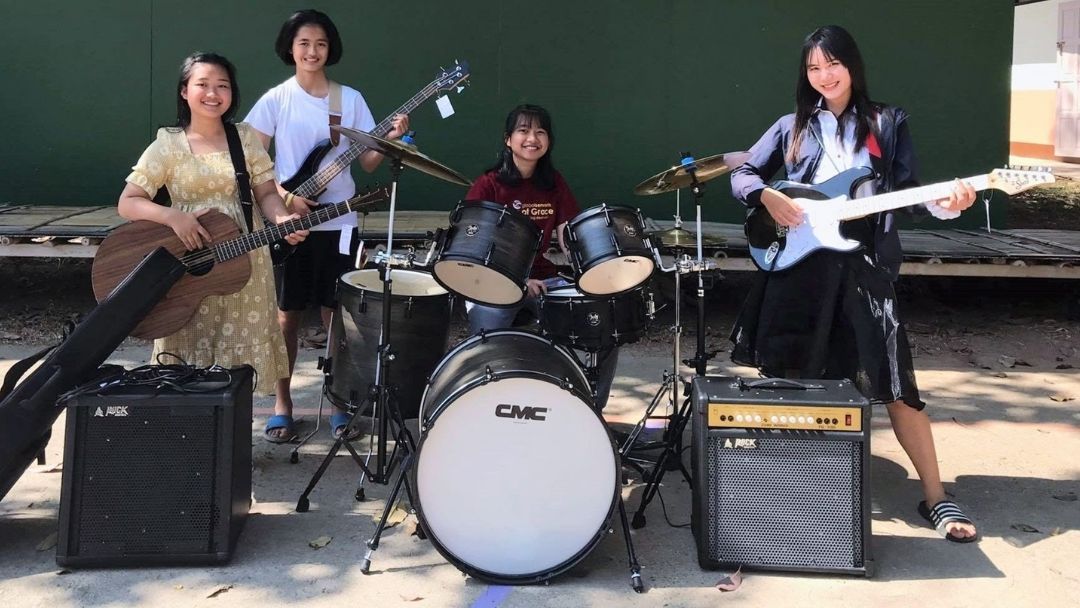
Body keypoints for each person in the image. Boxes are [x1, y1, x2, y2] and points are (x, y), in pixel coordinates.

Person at [729, 25, 979, 543]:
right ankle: (787, 490)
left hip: (865, 264)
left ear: (851, 65)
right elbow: (743, 172)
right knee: (794, 376)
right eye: (814, 68)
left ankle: (936, 496)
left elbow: (907, 191)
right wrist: (765, 197)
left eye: (832, 64)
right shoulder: (791, 125)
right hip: (801, 266)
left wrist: (946, 203)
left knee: (893, 381)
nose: (824, 76)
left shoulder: (886, 122)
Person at [244, 9, 410, 442]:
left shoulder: (349, 99)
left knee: (337, 316)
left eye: (320, 43)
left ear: (330, 48)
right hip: (287, 223)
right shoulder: (275, 99)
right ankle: (283, 405)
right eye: (304, 43)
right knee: (286, 319)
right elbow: (251, 162)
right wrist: (283, 198)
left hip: (339, 222)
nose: (312, 51)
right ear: (290, 48)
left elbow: (369, 162)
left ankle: (338, 402)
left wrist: (389, 139)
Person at [117, 52, 308, 397]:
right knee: (184, 364)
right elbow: (128, 202)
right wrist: (173, 216)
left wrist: (281, 218)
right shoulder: (168, 144)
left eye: (222, 86)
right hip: (188, 271)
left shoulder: (244, 138)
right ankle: (189, 442)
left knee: (239, 369)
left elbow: (265, 191)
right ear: (184, 91)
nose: (213, 93)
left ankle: (232, 441)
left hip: (244, 264)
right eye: (202, 84)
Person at [465, 104, 619, 409]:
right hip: (495, 280)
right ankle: (486, 406)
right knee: (488, 338)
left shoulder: (554, 183)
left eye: (540, 131)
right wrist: (519, 281)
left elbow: (567, 234)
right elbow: (474, 245)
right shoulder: (489, 184)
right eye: (523, 130)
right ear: (508, 139)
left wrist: (594, 269)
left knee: (606, 324)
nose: (531, 138)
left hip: (546, 278)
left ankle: (592, 409)